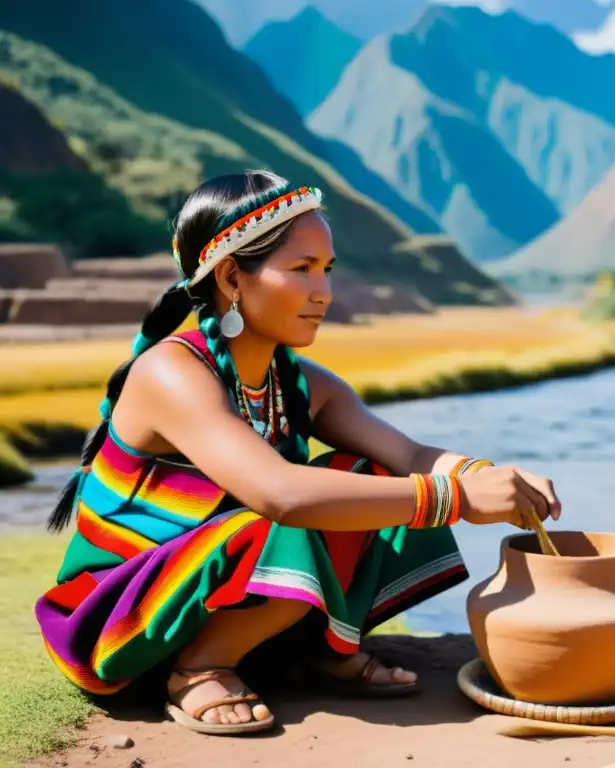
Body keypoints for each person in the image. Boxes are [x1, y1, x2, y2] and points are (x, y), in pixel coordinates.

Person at [35, 170, 561, 736]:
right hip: (128, 618)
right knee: (296, 507)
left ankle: (318, 649)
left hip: (223, 593)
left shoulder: (303, 382)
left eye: (327, 269)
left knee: (370, 476)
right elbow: (280, 494)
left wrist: (486, 474)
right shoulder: (170, 372)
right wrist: (454, 498)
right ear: (234, 277)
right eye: (302, 269)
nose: (324, 293)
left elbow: (406, 453)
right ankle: (197, 668)